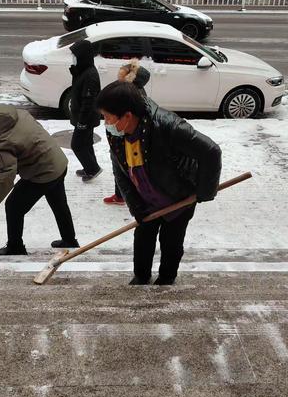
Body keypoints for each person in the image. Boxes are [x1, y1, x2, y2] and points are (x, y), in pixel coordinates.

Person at [96, 82, 222, 286]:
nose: (106, 122)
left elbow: (211, 152)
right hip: (146, 201)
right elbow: (121, 173)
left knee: (171, 243)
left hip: (178, 198)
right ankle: (141, 276)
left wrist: (205, 191)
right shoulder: (117, 133)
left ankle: (166, 278)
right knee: (143, 240)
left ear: (127, 116)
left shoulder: (167, 126)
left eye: (108, 117)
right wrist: (136, 205)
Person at [0, 100, 79, 255]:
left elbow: (5, 176)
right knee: (58, 202)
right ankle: (70, 240)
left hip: (43, 170)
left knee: (13, 206)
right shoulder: (12, 114)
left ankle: (15, 247)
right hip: (56, 160)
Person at [103, 59, 150, 206]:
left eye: (122, 74)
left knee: (125, 169)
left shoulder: (132, 96)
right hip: (118, 138)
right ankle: (120, 195)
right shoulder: (128, 91)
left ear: (130, 79)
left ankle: (128, 196)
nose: (119, 76)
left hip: (123, 139)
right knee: (120, 168)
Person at [69, 39, 102, 182]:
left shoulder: (90, 75)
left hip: (86, 118)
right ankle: (90, 168)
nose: (73, 58)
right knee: (86, 143)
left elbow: (89, 101)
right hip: (84, 117)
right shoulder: (84, 71)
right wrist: (75, 72)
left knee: (76, 145)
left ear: (83, 56)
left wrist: (82, 122)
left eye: (76, 56)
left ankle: (93, 169)